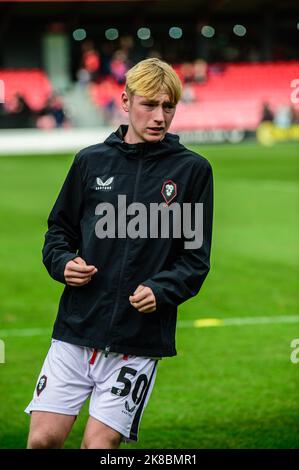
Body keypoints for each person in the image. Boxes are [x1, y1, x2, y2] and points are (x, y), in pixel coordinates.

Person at [25, 58, 214, 449]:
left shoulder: (193, 171)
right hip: (76, 331)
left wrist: (162, 289)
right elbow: (58, 232)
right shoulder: (90, 162)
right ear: (125, 101)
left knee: (100, 447)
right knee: (43, 440)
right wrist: (63, 264)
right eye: (150, 105)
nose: (160, 116)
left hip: (138, 339)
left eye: (168, 106)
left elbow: (194, 260)